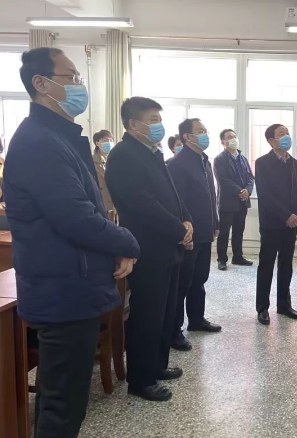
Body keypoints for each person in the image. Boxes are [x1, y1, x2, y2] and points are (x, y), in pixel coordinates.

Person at [3, 47, 140, 437]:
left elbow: (87, 210)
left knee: (64, 401)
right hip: (62, 292)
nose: (80, 85)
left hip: (72, 286)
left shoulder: (59, 137)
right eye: (72, 77)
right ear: (41, 84)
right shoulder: (39, 142)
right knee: (62, 408)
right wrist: (127, 241)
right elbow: (75, 217)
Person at [105, 97, 194, 402]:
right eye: (153, 120)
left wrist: (186, 220)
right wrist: (179, 230)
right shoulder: (123, 156)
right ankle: (141, 380)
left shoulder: (152, 152)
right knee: (147, 316)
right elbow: (142, 205)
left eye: (159, 119)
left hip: (169, 247)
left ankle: (157, 366)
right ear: (133, 124)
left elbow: (173, 195)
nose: (159, 125)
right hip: (148, 248)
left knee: (165, 314)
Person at [168, 118, 221, 352]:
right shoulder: (177, 164)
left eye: (206, 130)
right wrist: (184, 231)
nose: (205, 134)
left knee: (199, 278)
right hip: (189, 234)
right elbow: (177, 202)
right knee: (183, 283)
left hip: (205, 230)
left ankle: (196, 320)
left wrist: (215, 222)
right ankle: (174, 330)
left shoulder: (204, 160)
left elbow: (211, 195)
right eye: (200, 131)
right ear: (187, 137)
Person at [255, 124, 297, 325]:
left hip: (291, 225)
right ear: (271, 141)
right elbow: (265, 195)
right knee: (266, 265)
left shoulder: (294, 163)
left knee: (286, 264)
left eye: (287, 133)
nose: (286, 137)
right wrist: (286, 215)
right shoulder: (262, 163)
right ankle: (262, 307)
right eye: (281, 134)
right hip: (272, 223)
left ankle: (284, 304)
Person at [213, 129, 254, 271]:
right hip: (227, 202)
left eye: (234, 136)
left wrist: (247, 190)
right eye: (229, 137)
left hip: (242, 202)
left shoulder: (243, 158)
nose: (233, 139)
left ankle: (238, 256)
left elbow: (251, 177)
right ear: (223, 142)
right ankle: (222, 259)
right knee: (224, 232)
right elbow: (223, 180)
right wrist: (239, 191)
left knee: (239, 230)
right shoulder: (219, 159)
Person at [92, 129, 115, 213]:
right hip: (101, 204)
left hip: (116, 204)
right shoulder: (91, 161)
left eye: (111, 140)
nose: (109, 143)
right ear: (97, 143)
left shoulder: (116, 159)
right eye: (105, 140)